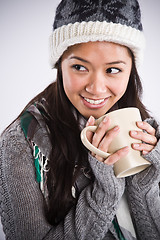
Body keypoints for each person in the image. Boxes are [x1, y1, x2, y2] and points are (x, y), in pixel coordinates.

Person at [0, 0, 160, 239]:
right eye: (79, 67)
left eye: (113, 69)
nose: (96, 89)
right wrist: (105, 189)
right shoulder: (21, 143)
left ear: (131, 70)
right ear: (60, 66)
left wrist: (144, 178)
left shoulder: (146, 130)